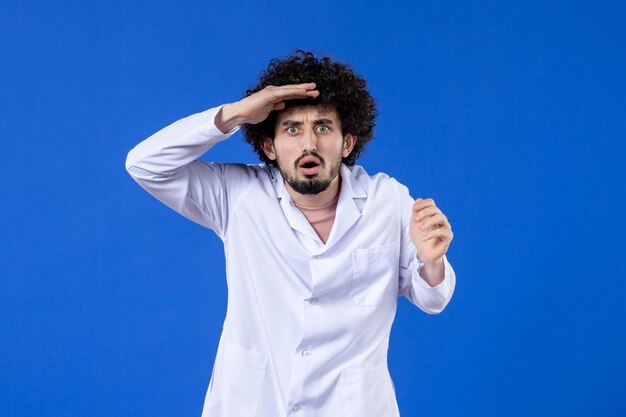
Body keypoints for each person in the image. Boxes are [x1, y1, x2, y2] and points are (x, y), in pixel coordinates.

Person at [125, 50, 456, 417]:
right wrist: (235, 114)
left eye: (324, 127)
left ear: (347, 143)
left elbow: (433, 299)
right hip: (255, 404)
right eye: (292, 128)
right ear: (269, 146)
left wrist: (432, 263)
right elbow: (145, 164)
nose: (308, 144)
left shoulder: (386, 200)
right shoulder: (237, 196)